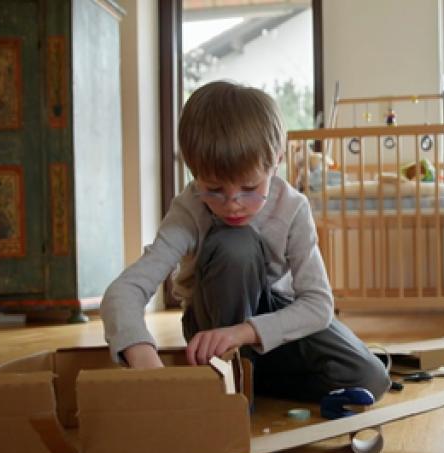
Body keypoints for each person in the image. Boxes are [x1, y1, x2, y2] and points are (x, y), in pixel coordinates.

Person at [101, 80, 390, 402]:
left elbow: (318, 305)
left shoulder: (293, 207)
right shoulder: (188, 210)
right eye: (213, 189)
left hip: (269, 317)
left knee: (370, 378)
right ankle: (232, 386)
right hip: (213, 317)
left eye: (249, 188)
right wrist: (143, 357)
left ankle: (248, 381)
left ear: (276, 160)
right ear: (193, 171)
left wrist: (243, 333)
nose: (232, 203)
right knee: (235, 244)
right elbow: (123, 292)